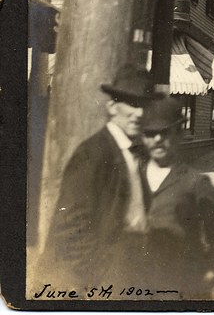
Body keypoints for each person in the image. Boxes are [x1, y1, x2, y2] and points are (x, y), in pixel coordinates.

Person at [42, 63, 157, 288]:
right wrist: (96, 283)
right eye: (133, 104)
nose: (140, 113)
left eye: (145, 105)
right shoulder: (93, 153)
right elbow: (72, 228)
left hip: (128, 267)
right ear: (112, 107)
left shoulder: (136, 153)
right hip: (94, 278)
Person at [138, 95, 214, 299]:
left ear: (179, 134)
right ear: (143, 137)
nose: (158, 139)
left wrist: (209, 274)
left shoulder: (195, 184)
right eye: (151, 133)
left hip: (184, 289)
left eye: (165, 132)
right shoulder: (133, 179)